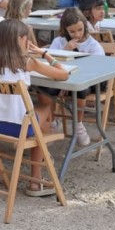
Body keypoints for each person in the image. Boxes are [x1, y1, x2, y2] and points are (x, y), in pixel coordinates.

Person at [0, 19, 70, 195]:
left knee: (39, 123)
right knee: (45, 106)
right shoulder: (27, 62)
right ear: (22, 39)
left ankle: (44, 153)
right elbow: (63, 75)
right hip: (21, 127)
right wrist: (45, 53)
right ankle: (35, 180)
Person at [48, 8, 105, 146]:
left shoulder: (92, 45)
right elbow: (49, 62)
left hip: (87, 81)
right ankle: (51, 121)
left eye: (80, 29)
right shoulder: (59, 41)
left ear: (85, 26)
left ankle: (78, 124)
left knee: (80, 89)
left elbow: (99, 68)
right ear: (65, 30)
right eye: (72, 31)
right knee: (44, 88)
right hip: (62, 79)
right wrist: (65, 51)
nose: (77, 34)